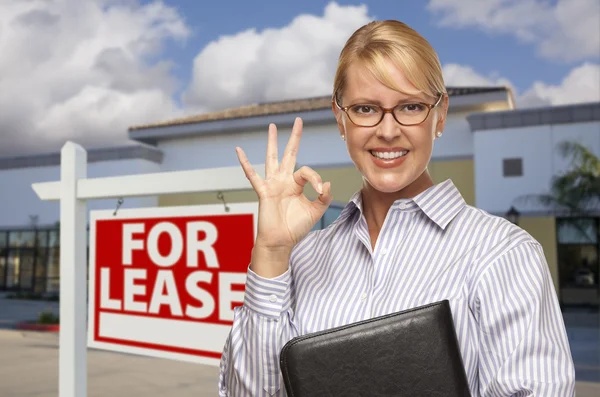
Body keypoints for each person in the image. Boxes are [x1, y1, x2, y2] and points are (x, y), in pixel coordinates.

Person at [218, 20, 575, 397]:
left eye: (411, 106)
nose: (388, 131)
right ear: (341, 118)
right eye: (366, 108)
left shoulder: (502, 254)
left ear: (440, 114)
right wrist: (272, 254)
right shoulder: (303, 259)